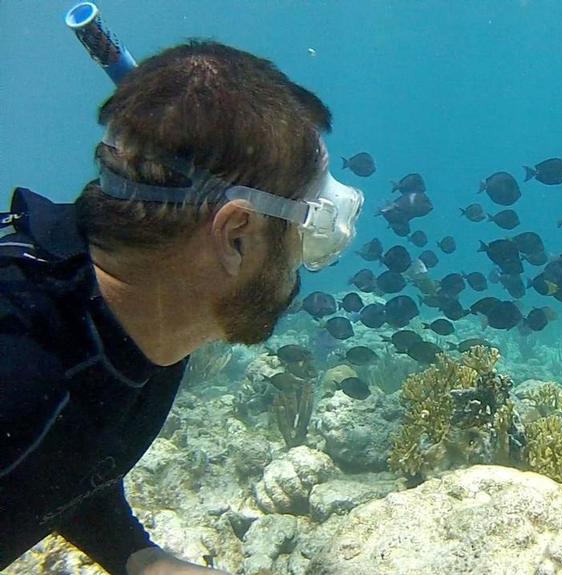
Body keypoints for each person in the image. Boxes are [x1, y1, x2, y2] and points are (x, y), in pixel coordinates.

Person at [0, 40, 362, 575]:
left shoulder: (147, 321)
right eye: (310, 229)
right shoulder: (17, 367)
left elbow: (58, 462)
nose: (300, 267)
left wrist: (140, 558)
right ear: (235, 236)